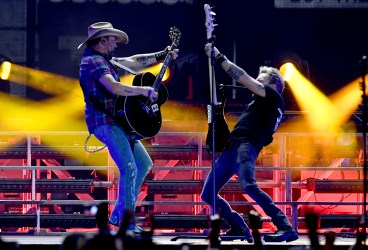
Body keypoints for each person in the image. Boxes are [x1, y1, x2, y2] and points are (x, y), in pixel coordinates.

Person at [78, 22, 178, 232]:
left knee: (143, 164)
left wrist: (161, 55)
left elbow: (133, 61)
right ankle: (128, 224)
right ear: (103, 40)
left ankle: (118, 216)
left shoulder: (105, 60)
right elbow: (113, 86)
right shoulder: (92, 62)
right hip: (104, 122)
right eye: (113, 38)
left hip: (118, 122)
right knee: (130, 168)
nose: (116, 42)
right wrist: (142, 91)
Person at [201, 43, 298, 243]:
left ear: (273, 85)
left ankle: (285, 226)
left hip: (245, 147)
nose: (255, 84)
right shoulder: (260, 104)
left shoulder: (273, 97)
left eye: (260, 82)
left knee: (249, 186)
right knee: (208, 193)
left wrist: (219, 57)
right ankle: (238, 226)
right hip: (232, 147)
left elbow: (244, 77)